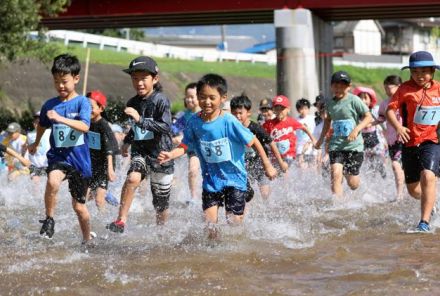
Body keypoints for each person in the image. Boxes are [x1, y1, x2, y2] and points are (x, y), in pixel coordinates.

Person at [158, 74, 277, 239]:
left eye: (212, 98)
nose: (206, 102)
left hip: (234, 180)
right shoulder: (193, 122)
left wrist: (268, 165)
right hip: (211, 181)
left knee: (234, 223)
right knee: (210, 226)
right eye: (202, 97)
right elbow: (186, 145)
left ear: (222, 98)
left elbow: (254, 140)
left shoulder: (229, 121)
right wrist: (171, 154)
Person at [28, 54, 94, 246]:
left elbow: (84, 126)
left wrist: (61, 118)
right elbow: (42, 124)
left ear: (76, 78)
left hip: (80, 161)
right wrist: (36, 143)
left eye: (64, 81)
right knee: (53, 180)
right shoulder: (49, 104)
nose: (60, 86)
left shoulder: (82, 103)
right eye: (56, 82)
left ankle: (87, 239)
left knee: (79, 207)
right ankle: (49, 219)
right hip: (59, 157)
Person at [107, 56, 174, 233]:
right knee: (132, 178)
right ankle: (120, 220)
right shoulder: (132, 102)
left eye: (144, 78)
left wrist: (140, 119)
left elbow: (166, 126)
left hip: (162, 154)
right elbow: (135, 128)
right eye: (135, 79)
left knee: (160, 204)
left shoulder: (161, 100)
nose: (139, 83)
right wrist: (127, 143)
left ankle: (161, 231)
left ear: (155, 79)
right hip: (141, 151)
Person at [386, 51, 440, 232]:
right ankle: (432, 202)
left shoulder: (438, 88)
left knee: (428, 175)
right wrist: (399, 128)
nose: (419, 76)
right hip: (410, 143)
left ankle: (424, 223)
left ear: (433, 71)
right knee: (414, 190)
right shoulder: (404, 89)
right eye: (415, 72)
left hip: (433, 141)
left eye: (424, 71)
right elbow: (390, 110)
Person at [315, 71, 373, 198]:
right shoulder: (330, 103)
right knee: (335, 174)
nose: (338, 89)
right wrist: (320, 140)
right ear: (331, 86)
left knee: (353, 184)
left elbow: (369, 118)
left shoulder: (354, 100)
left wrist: (356, 130)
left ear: (349, 87)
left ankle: (352, 179)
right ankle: (338, 205)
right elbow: (327, 122)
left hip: (353, 147)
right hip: (336, 146)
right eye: (335, 86)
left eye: (342, 86)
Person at [230, 94, 288, 200]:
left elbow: (271, 143)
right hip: (244, 166)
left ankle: (268, 209)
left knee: (265, 194)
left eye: (240, 113)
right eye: (234, 113)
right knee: (245, 195)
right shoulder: (231, 129)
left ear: (248, 113)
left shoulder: (255, 128)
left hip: (260, 164)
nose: (237, 116)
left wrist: (280, 162)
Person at [86, 90, 118, 210]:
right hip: (93, 163)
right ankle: (110, 199)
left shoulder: (103, 125)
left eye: (91, 107)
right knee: (86, 196)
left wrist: (110, 168)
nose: (88, 110)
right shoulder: (86, 123)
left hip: (105, 163)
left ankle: (103, 220)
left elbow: (109, 147)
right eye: (86, 106)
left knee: (99, 199)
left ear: (101, 108)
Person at [263, 95, 316, 167]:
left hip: (289, 154)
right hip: (276, 156)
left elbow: (304, 128)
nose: (279, 111)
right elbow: (259, 132)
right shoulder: (269, 124)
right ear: (273, 110)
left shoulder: (291, 121)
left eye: (282, 109)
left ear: (288, 109)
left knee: (285, 168)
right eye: (276, 109)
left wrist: (313, 139)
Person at [171, 82, 202, 204]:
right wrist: (176, 137)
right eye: (187, 97)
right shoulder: (184, 115)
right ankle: (193, 197)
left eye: (192, 97)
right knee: (193, 170)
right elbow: (174, 129)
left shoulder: (205, 113)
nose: (189, 100)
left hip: (206, 148)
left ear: (200, 97)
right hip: (192, 150)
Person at [377, 75, 405, 201]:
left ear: (399, 87)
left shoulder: (406, 100)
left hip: (405, 139)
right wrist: (369, 123)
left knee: (396, 165)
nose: (387, 91)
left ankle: (400, 194)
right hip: (391, 140)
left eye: (390, 88)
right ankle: (400, 193)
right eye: (385, 89)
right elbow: (381, 118)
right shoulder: (384, 103)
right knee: (396, 167)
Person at [352, 86, 387, 179]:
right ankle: (372, 184)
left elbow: (382, 122)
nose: (363, 101)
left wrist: (385, 140)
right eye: (360, 98)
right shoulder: (355, 114)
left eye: (365, 98)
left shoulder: (374, 111)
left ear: (370, 100)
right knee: (368, 168)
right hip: (363, 144)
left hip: (377, 143)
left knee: (380, 164)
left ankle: (385, 180)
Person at [27, 112, 51, 186]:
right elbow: (28, 147)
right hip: (35, 164)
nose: (36, 124)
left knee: (49, 184)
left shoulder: (50, 131)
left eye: (39, 122)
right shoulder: (30, 134)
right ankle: (36, 197)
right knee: (35, 184)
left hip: (47, 163)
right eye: (35, 122)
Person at [295, 98, 316, 169]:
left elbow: (317, 132)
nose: (304, 111)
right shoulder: (295, 121)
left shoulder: (313, 119)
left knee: (313, 169)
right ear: (298, 110)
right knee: (301, 169)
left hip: (311, 148)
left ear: (309, 109)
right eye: (301, 109)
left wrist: (311, 141)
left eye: (306, 108)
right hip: (300, 148)